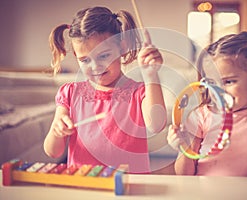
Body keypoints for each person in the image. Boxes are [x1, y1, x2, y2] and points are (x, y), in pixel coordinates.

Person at [167, 31, 247, 194]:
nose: (218, 91)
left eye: (228, 81)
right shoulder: (200, 116)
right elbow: (183, 174)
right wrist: (183, 147)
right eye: (212, 82)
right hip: (204, 194)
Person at [44, 6, 166, 174]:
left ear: (122, 48)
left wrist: (151, 75)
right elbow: (53, 151)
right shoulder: (70, 93)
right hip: (84, 185)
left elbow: (157, 125)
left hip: (129, 186)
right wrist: (56, 131)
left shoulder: (139, 92)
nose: (95, 66)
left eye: (103, 56)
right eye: (85, 60)